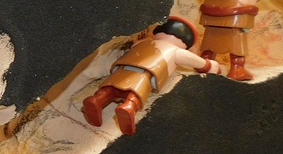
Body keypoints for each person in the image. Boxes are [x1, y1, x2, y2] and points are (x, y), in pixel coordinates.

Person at [82, 17, 220, 135]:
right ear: (185, 43)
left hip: (123, 67)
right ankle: (129, 106)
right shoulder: (176, 51)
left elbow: (134, 46)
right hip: (146, 73)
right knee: (136, 90)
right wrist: (208, 65)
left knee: (112, 87)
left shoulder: (144, 42)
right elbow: (195, 61)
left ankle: (97, 99)